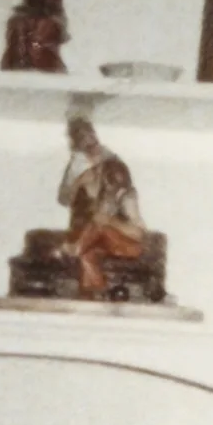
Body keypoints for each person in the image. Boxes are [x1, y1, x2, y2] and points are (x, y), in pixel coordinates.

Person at [57, 117, 147, 301]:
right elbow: (65, 197)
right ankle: (94, 293)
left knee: (99, 225)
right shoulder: (84, 174)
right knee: (88, 254)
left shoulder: (127, 197)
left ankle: (75, 248)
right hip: (103, 245)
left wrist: (110, 222)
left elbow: (138, 234)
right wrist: (79, 183)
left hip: (127, 246)